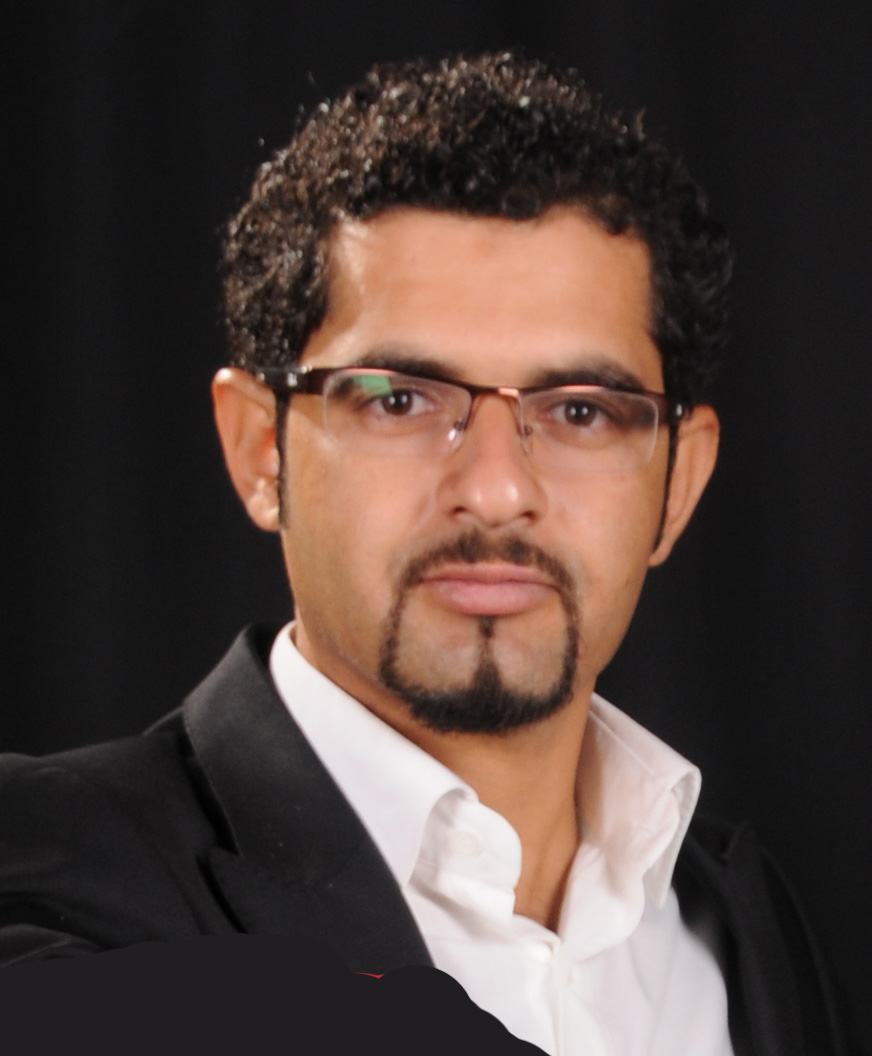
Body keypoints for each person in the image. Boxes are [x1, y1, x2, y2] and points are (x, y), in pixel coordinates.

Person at [0, 52, 847, 1055]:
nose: (493, 489)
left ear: (678, 483)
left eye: (580, 411)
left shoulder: (748, 926)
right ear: (261, 450)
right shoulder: (41, 863)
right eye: (398, 400)